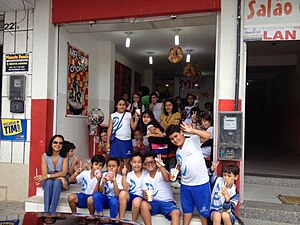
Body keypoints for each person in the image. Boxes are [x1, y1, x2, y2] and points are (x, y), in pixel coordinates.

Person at [166, 124, 212, 225]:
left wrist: (192, 130)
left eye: (176, 136)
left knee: (204, 213)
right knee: (187, 211)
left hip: (201, 184)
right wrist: (175, 171)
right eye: (172, 139)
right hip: (185, 185)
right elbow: (181, 164)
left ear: (181, 133)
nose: (175, 140)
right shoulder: (178, 151)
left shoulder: (192, 140)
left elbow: (208, 135)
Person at [140, 152, 180, 225]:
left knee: (176, 213)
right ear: (144, 165)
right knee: (143, 204)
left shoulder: (161, 171)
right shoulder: (144, 179)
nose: (150, 164)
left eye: (152, 162)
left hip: (167, 202)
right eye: (147, 163)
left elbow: (167, 179)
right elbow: (144, 194)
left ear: (156, 162)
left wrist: (161, 166)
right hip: (154, 202)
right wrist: (145, 196)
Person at [34, 135, 68, 213]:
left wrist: (50, 176)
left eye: (60, 143)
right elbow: (45, 175)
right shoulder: (45, 156)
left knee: (56, 183)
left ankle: (52, 211)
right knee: (49, 182)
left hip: (60, 183)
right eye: (55, 142)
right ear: (51, 143)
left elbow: (64, 172)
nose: (58, 145)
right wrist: (60, 177)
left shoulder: (65, 156)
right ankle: (46, 211)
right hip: (48, 181)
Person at [107, 98, 140, 170]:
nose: (122, 106)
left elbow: (133, 127)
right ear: (116, 105)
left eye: (124, 105)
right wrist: (108, 143)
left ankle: (126, 177)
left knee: (126, 160)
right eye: (120, 105)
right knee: (117, 160)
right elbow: (109, 129)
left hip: (127, 141)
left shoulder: (128, 115)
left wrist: (136, 120)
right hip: (116, 140)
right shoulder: (113, 115)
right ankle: (118, 177)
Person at [119, 152, 148, 221]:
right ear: (131, 163)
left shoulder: (146, 173)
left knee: (136, 201)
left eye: (139, 162)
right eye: (134, 162)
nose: (136, 164)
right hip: (131, 197)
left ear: (142, 163)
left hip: (140, 198)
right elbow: (125, 188)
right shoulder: (129, 174)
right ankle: (121, 219)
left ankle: (133, 222)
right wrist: (124, 175)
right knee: (122, 193)